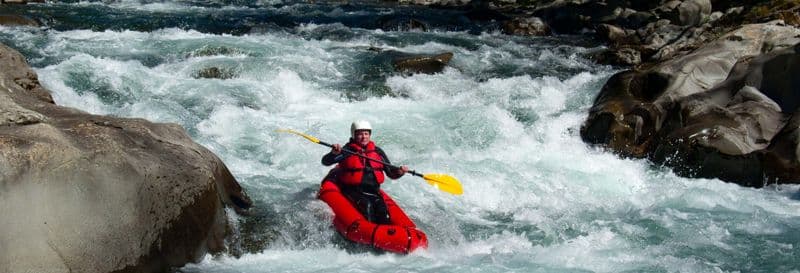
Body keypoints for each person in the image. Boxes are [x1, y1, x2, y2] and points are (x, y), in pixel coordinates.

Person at [321, 120, 409, 224]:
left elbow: (391, 173)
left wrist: (400, 172)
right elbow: (326, 161)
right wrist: (333, 154)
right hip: (352, 191)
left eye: (366, 134)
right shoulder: (346, 151)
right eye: (360, 134)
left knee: (383, 211)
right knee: (367, 207)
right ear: (354, 135)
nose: (364, 137)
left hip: (373, 191)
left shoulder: (377, 152)